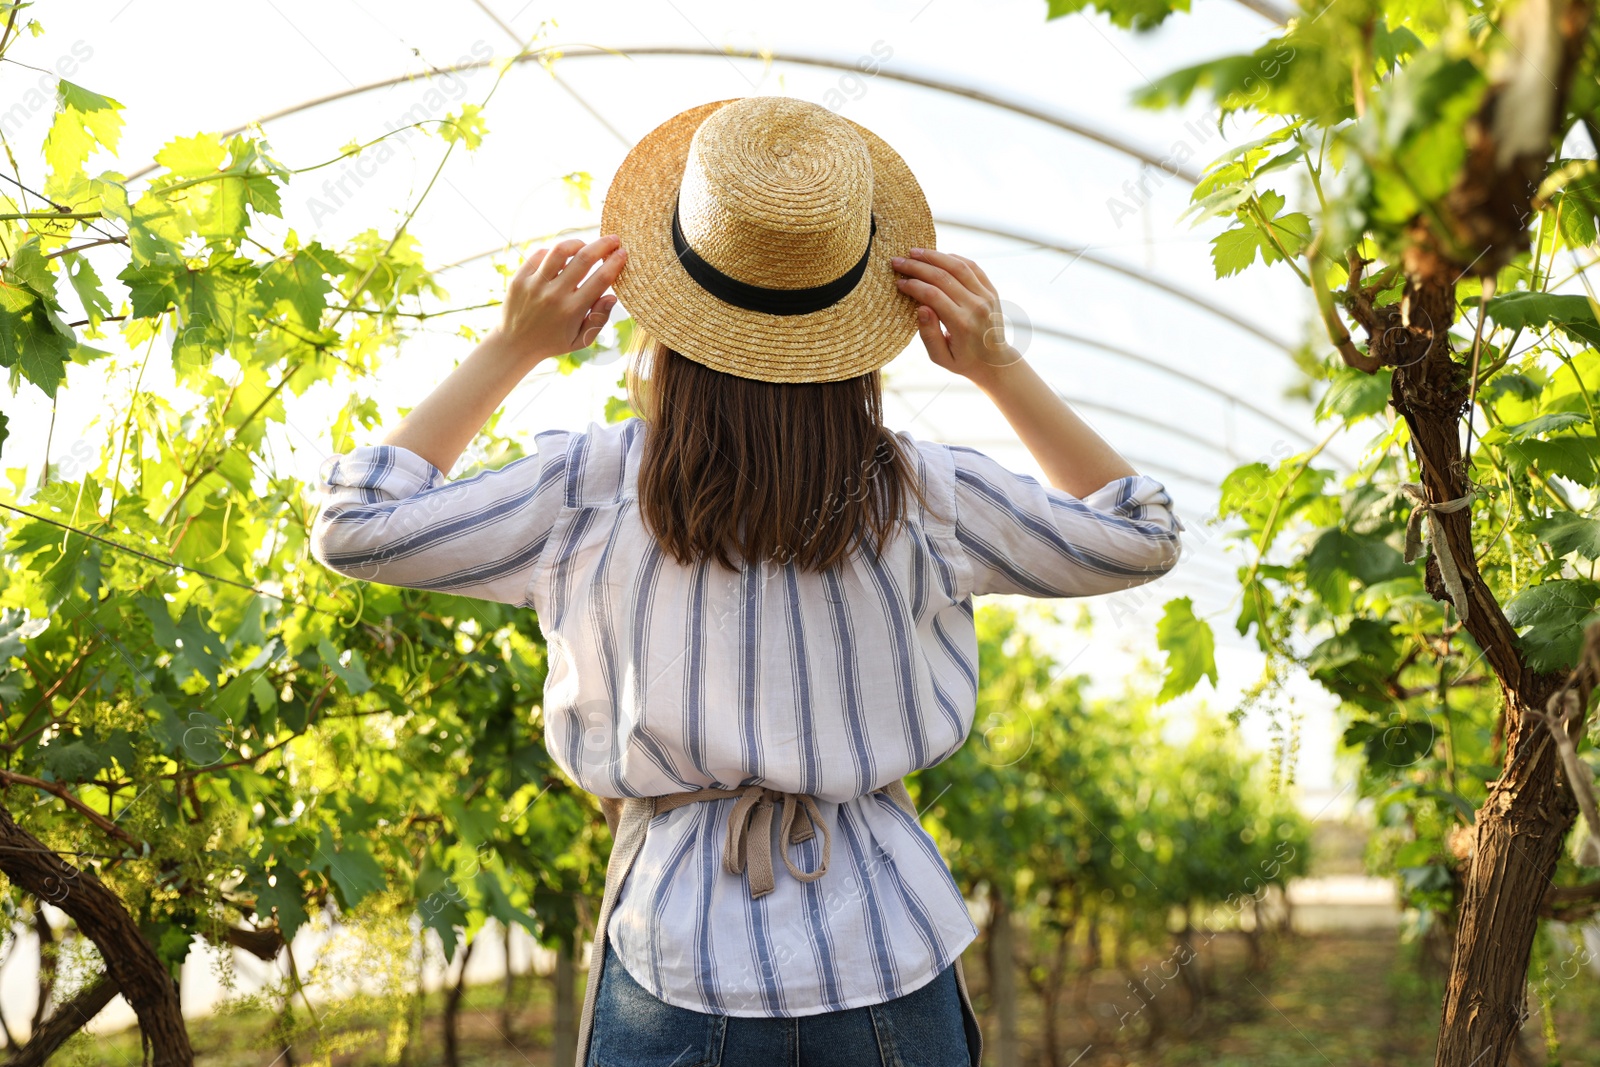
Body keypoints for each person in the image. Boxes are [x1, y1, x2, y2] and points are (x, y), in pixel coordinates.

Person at [311, 95, 1184, 1067]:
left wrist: (512, 344)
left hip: (676, 951)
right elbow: (1138, 533)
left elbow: (356, 523)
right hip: (888, 940)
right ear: (855, 331)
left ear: (668, 322)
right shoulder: (919, 491)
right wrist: (995, 365)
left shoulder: (590, 484)